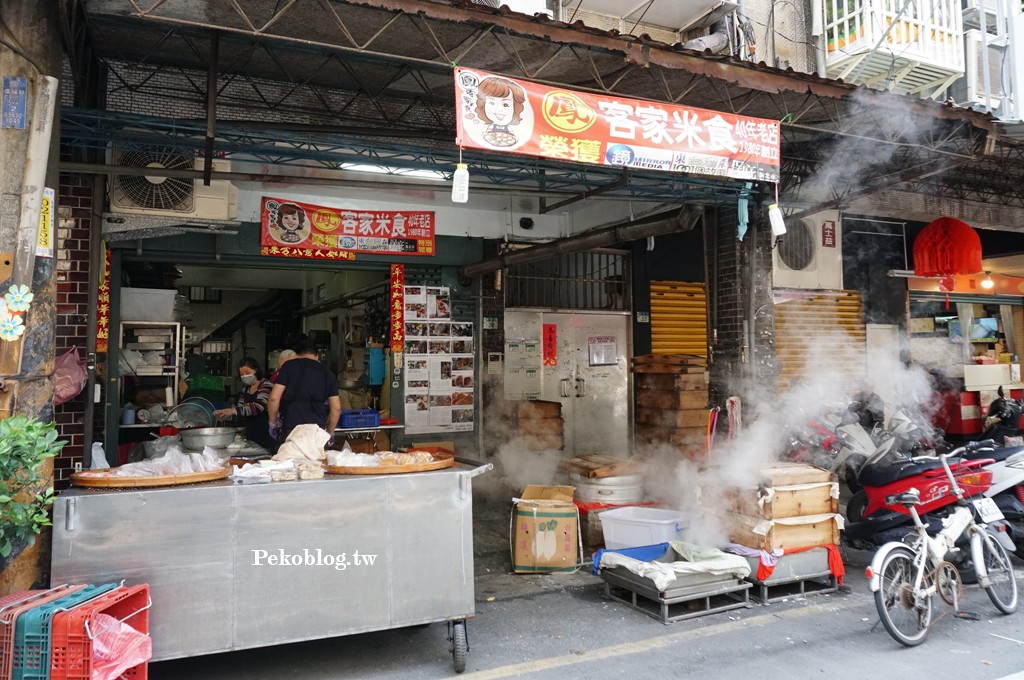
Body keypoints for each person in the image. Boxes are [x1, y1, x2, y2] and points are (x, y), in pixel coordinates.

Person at [267, 341, 342, 445]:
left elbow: (274, 398)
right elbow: (336, 408)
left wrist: (272, 422)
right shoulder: (328, 373)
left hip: (292, 427)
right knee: (315, 461)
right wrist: (330, 432)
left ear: (297, 355)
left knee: (291, 460)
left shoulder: (289, 366)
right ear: (317, 356)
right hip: (317, 430)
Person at [213, 358, 276, 451]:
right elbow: (240, 409)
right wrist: (228, 416)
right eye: (242, 374)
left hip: (266, 433)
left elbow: (258, 407)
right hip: (251, 433)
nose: (245, 376)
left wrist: (233, 411)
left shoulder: (266, 385)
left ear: (255, 370)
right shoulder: (245, 389)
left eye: (247, 372)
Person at [474, 76, 527, 147]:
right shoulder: (490, 127)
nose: (499, 109)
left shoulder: (509, 129)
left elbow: (512, 135)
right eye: (492, 103)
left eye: (505, 105)